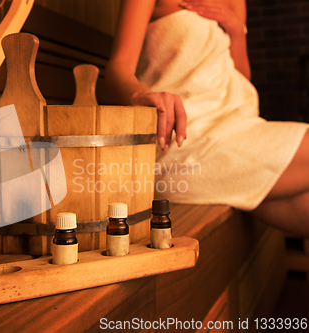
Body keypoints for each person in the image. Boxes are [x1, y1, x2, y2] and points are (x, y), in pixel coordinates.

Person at [105, 0, 309, 236]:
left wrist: (236, 30)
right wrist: (142, 94)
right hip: (183, 140)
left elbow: (239, 77)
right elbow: (118, 66)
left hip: (237, 127)